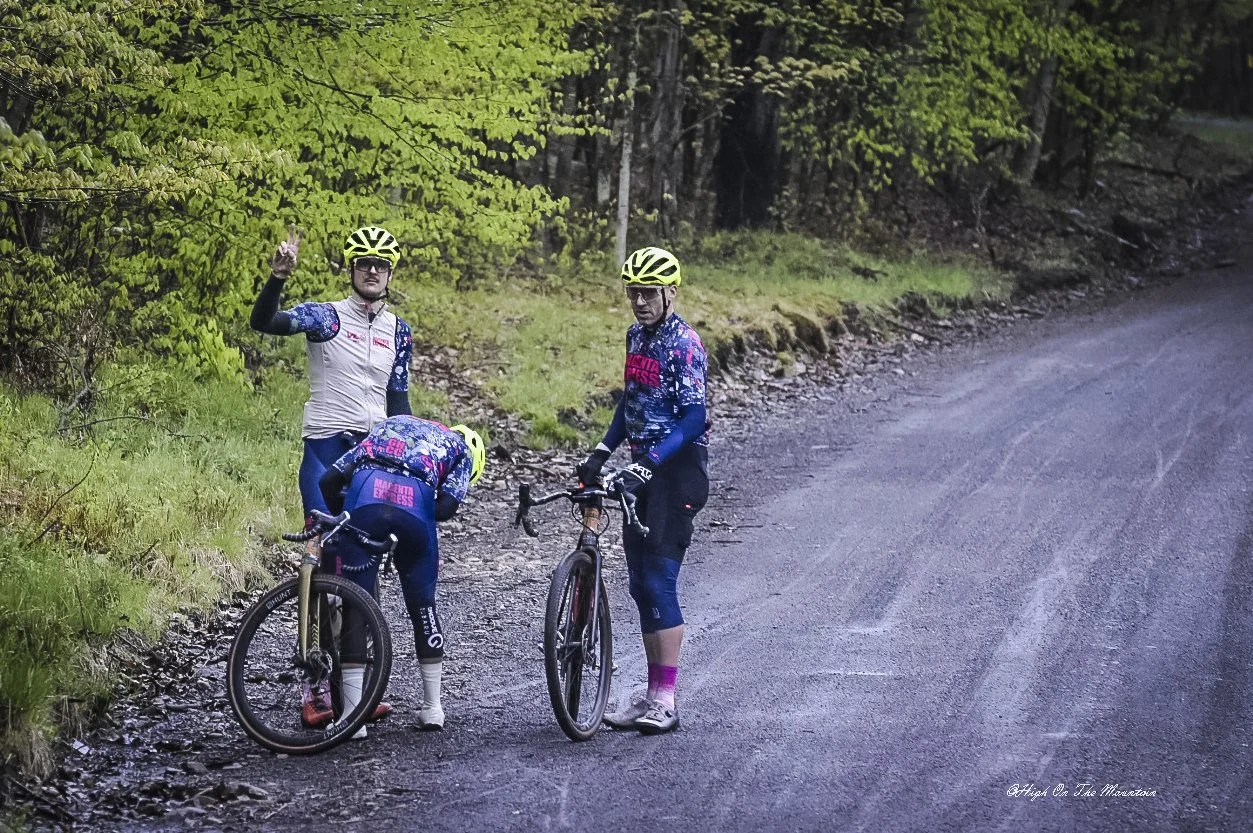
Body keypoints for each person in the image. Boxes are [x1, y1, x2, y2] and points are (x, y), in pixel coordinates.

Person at [250, 225, 415, 728]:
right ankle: (315, 688)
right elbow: (266, 322)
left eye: (380, 265)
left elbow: (400, 404)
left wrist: (413, 456)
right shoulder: (327, 318)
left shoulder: (398, 331)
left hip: (371, 459)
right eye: (363, 262)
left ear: (390, 274)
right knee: (322, 570)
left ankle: (357, 689)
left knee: (364, 567)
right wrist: (277, 278)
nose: (371, 270)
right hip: (325, 455)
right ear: (352, 270)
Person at [575, 246, 710, 735]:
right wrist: (601, 452)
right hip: (642, 467)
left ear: (670, 292)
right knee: (639, 584)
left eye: (648, 293)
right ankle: (651, 695)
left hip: (677, 471)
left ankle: (666, 701)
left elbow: (695, 417)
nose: (639, 302)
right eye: (633, 293)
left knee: (659, 581)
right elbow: (629, 405)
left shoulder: (685, 344)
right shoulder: (636, 337)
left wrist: (650, 462)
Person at [318, 415, 487, 735]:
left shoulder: (391, 424)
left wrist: (346, 512)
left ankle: (354, 720)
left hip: (365, 494)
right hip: (415, 504)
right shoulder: (461, 451)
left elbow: (328, 480)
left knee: (357, 605)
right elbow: (445, 508)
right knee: (423, 606)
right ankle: (432, 708)